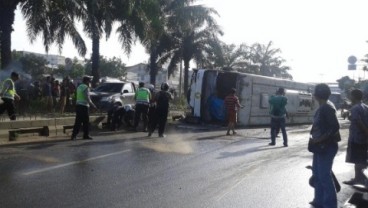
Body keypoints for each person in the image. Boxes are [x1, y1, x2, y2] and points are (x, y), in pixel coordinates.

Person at [309, 83, 340, 208]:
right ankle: (319, 200)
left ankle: (330, 205)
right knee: (317, 174)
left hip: (326, 146)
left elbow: (335, 127)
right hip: (320, 146)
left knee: (324, 176)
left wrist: (320, 139)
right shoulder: (325, 105)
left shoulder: (326, 107)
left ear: (317, 95)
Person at [343, 89, 368, 186]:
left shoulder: (355, 108)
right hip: (363, 139)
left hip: (356, 138)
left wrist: (366, 132)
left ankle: (362, 180)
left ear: (354, 96)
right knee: (360, 159)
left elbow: (358, 122)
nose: (349, 97)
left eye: (351, 95)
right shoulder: (365, 107)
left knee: (358, 160)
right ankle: (358, 179)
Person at [71, 76, 97, 140]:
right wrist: (93, 105)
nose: (90, 82)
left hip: (78, 106)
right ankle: (86, 135)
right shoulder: (85, 87)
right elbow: (87, 98)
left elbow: (75, 96)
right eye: (89, 81)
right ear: (87, 81)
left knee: (78, 121)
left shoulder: (79, 87)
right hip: (84, 106)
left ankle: (74, 135)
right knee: (86, 122)